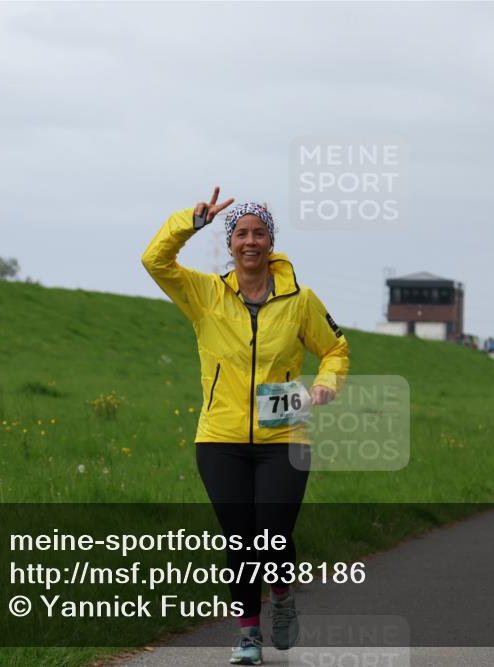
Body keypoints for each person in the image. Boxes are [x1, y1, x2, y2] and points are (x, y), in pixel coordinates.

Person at [142, 187, 350, 665]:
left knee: (273, 535)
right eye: (241, 234)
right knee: (240, 540)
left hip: (284, 435)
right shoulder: (205, 295)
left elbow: (336, 349)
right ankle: (248, 635)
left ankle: (281, 595)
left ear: (270, 243)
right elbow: (155, 261)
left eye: (259, 233)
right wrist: (190, 222)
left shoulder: (300, 300)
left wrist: (326, 383)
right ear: (230, 243)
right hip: (220, 439)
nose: (250, 241)